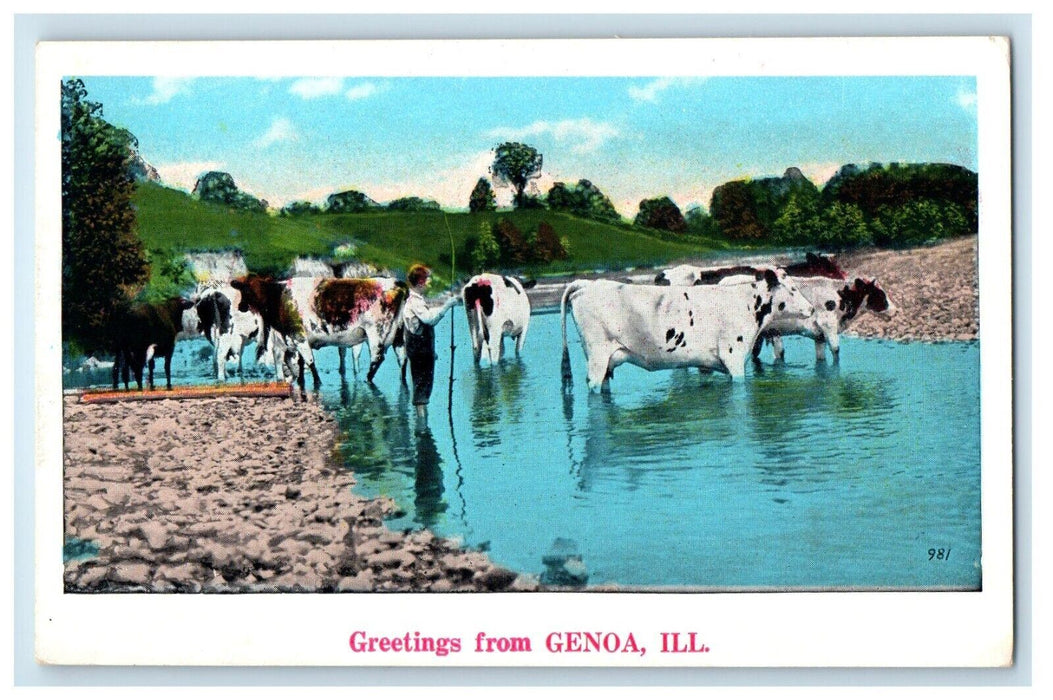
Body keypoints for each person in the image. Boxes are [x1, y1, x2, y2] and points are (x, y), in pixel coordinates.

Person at [402, 263, 461, 417]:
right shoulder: (414, 301)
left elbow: (427, 315)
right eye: (427, 280)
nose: (429, 283)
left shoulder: (416, 300)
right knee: (421, 391)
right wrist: (447, 306)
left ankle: (423, 424)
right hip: (419, 353)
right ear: (420, 282)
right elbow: (429, 319)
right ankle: (422, 429)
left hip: (422, 352)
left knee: (423, 389)